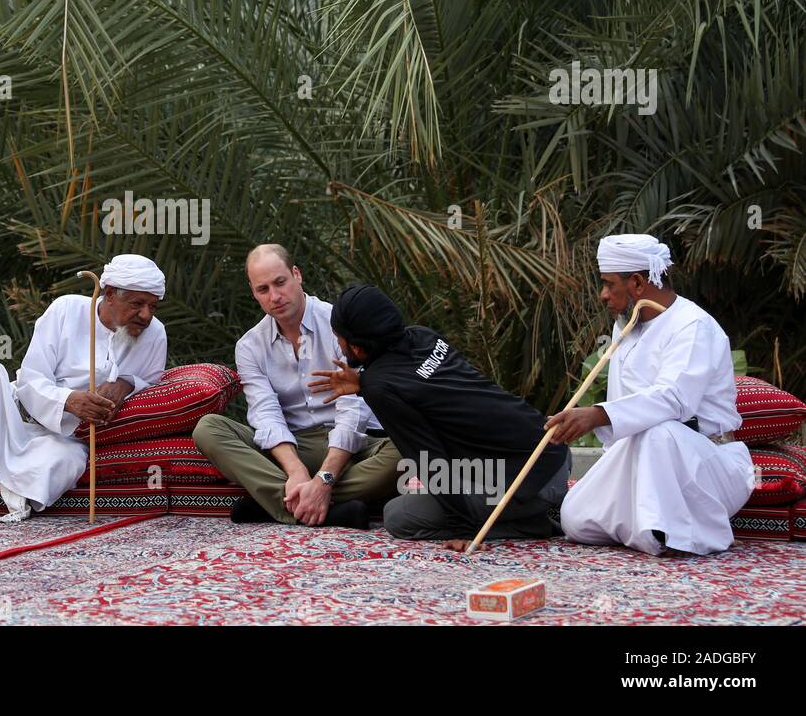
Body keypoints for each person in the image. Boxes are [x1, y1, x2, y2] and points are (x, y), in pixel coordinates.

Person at [0, 254, 167, 525]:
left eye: (153, 306)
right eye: (137, 304)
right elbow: (32, 378)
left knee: (61, 466)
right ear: (110, 294)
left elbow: (153, 384)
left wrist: (127, 383)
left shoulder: (155, 334)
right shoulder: (66, 310)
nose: (146, 315)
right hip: (19, 414)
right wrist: (68, 400)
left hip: (64, 438)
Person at [309, 284, 569, 549]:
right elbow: (417, 381)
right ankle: (532, 508)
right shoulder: (423, 337)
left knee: (399, 516)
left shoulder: (380, 387)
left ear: (358, 348)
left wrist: (462, 528)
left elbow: (427, 457)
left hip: (531, 483)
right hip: (553, 450)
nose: (339, 346)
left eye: (338, 338)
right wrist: (364, 381)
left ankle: (538, 522)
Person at [548, 234, 754, 555]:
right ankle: (652, 529)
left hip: (705, 464)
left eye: (608, 284)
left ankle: (682, 533)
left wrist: (598, 415)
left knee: (660, 431)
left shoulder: (693, 325)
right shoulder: (625, 326)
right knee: (575, 519)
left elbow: (674, 400)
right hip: (639, 455)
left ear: (638, 284)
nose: (603, 295)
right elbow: (625, 406)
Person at [193, 244, 399, 528]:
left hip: (355, 445)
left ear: (297, 275)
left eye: (280, 283)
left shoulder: (339, 323)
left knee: (404, 452)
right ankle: (323, 507)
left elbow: (354, 410)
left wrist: (324, 479)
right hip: (294, 445)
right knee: (209, 428)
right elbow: (265, 413)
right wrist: (296, 470)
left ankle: (277, 504)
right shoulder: (250, 346)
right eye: (263, 289)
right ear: (254, 293)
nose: (275, 296)